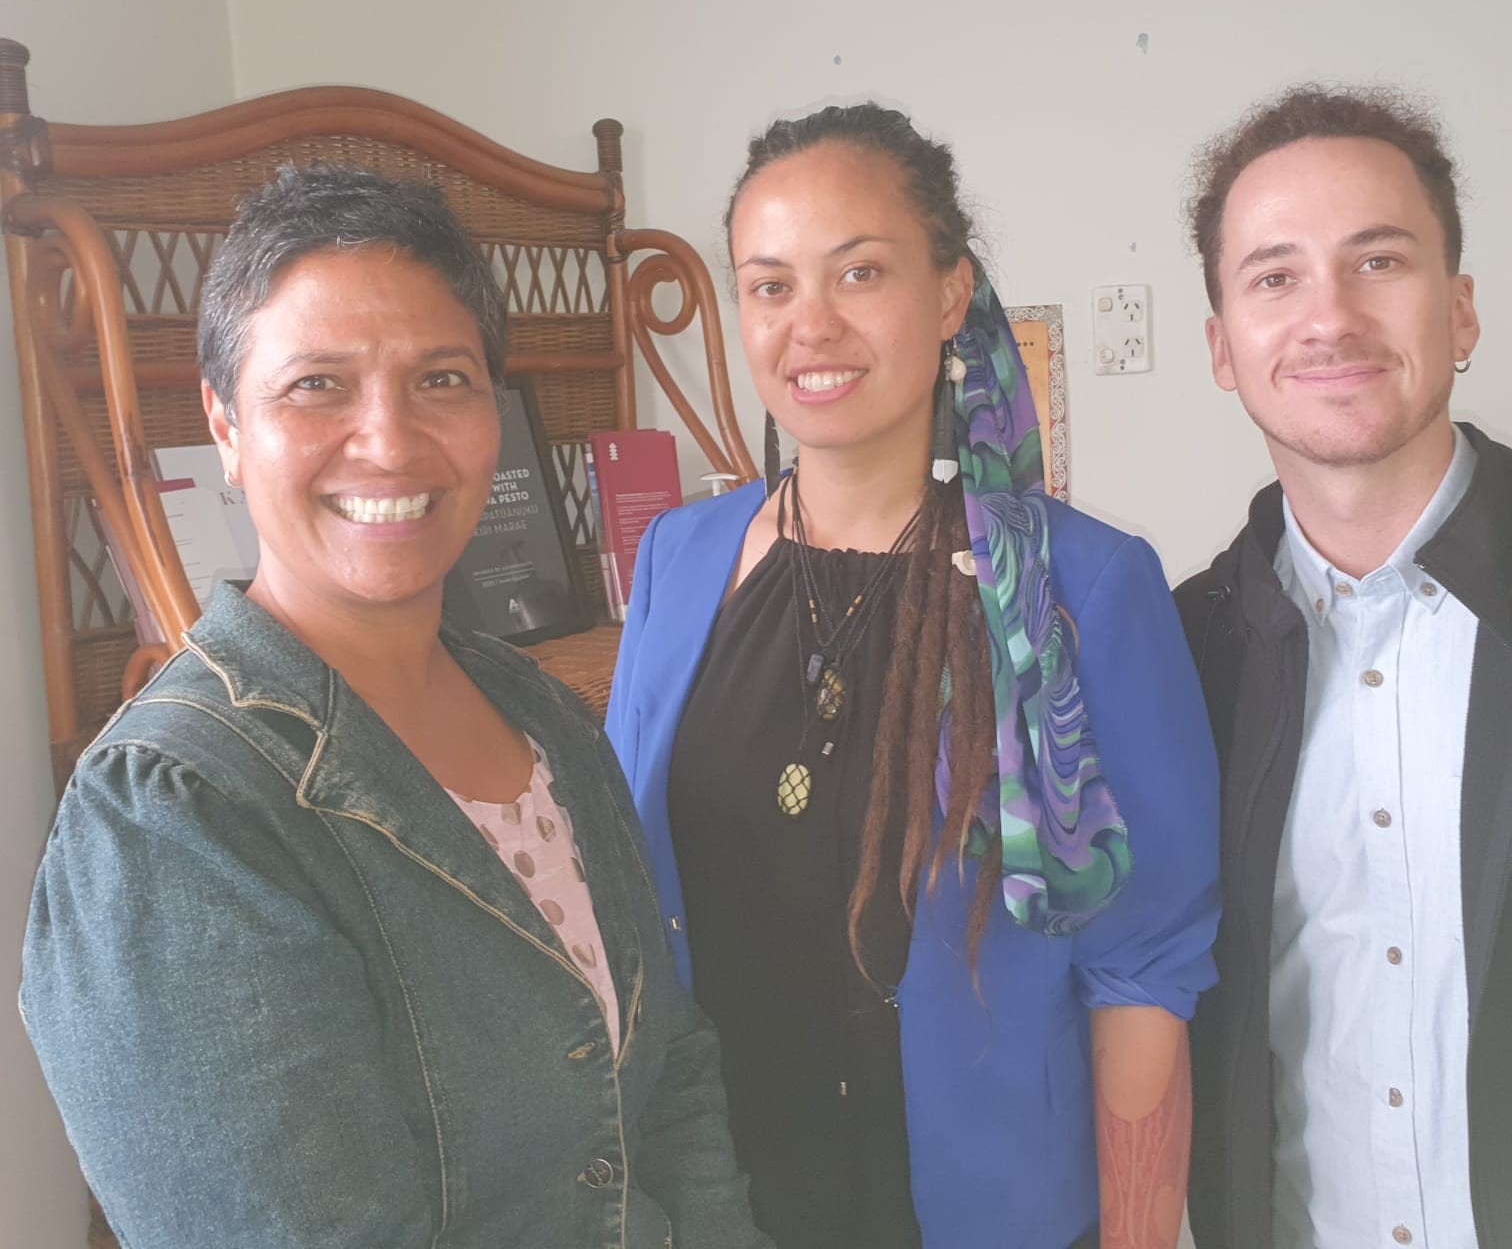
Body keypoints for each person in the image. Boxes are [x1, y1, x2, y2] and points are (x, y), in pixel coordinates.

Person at [22, 166, 768, 1249]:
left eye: (442, 379)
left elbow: (674, 1083)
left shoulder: (543, 719)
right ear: (225, 426)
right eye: (317, 384)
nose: (389, 440)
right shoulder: (173, 818)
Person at [606, 104, 1220, 1249]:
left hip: (986, 1212)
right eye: (770, 285)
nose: (810, 326)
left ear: (948, 295)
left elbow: (1145, 972)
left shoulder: (1083, 588)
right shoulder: (676, 565)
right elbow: (629, 899)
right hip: (722, 1202)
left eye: (860, 273)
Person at [1175, 86, 1511, 1248]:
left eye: (1379, 260)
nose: (1329, 317)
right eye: (1275, 276)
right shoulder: (1180, 656)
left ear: (1461, 312)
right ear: (1224, 347)